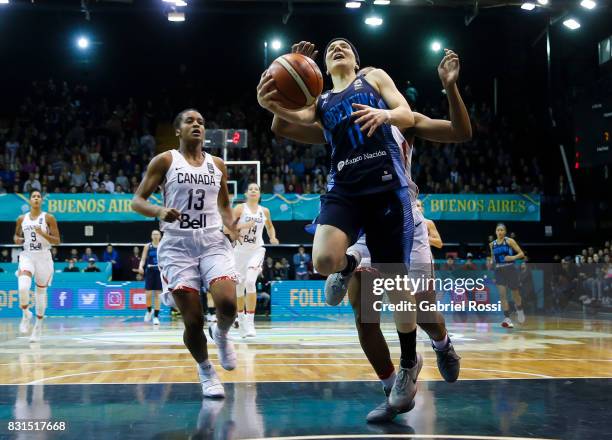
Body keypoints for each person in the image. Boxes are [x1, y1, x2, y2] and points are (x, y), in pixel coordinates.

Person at [267, 44, 469, 422]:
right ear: (322, 68)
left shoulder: (388, 104)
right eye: (330, 49)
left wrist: (449, 87)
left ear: (359, 63)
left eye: (346, 46)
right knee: (365, 316)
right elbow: (285, 124)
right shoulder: (327, 108)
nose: (338, 48)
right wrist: (284, 90)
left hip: (396, 203)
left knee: (420, 311)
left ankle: (441, 345)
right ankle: (394, 387)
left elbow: (459, 130)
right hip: (352, 205)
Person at [131, 108, 241, 399]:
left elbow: (225, 204)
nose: (197, 125)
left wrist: (231, 225)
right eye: (190, 121)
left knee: (228, 304)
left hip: (212, 240)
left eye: (201, 122)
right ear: (177, 130)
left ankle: (222, 334)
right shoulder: (166, 160)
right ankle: (206, 370)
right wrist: (159, 210)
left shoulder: (217, 164)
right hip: (177, 245)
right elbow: (137, 201)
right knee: (193, 320)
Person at [13, 190, 61, 342]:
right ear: (29, 201)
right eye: (33, 196)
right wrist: (17, 240)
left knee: (40, 294)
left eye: (38, 196)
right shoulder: (22, 218)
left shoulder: (48, 217)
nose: (36, 198)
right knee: (22, 287)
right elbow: (16, 235)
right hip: (27, 255)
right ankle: (26, 312)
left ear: (41, 201)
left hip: (44, 257)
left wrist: (43, 233)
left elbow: (57, 241)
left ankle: (38, 325)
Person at [232, 183, 279, 338]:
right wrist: (245, 224)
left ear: (259, 194)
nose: (253, 191)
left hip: (256, 250)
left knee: (251, 282)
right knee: (239, 288)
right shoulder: (240, 208)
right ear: (246, 193)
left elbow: (270, 227)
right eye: (250, 189)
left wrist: (272, 237)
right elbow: (229, 227)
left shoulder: (264, 211)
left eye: (256, 189)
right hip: (239, 251)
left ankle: (250, 322)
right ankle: (241, 318)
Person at [490, 223, 525, 328]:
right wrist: (493, 267)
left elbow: (521, 254)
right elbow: (493, 258)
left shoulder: (509, 241)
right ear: (495, 232)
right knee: (502, 294)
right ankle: (507, 318)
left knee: (515, 294)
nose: (500, 232)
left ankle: (519, 310)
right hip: (499, 270)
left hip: (510, 269)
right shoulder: (492, 244)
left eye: (502, 230)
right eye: (498, 230)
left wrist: (512, 258)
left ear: (505, 232)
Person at [138, 230, 163, 326]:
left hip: (159, 272)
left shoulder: (163, 246)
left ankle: (156, 317)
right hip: (150, 271)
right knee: (148, 294)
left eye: (157, 234)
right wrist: (140, 266)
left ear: (160, 236)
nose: (156, 236)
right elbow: (143, 259)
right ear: (151, 236)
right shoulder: (147, 246)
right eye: (154, 234)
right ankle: (149, 311)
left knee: (157, 294)